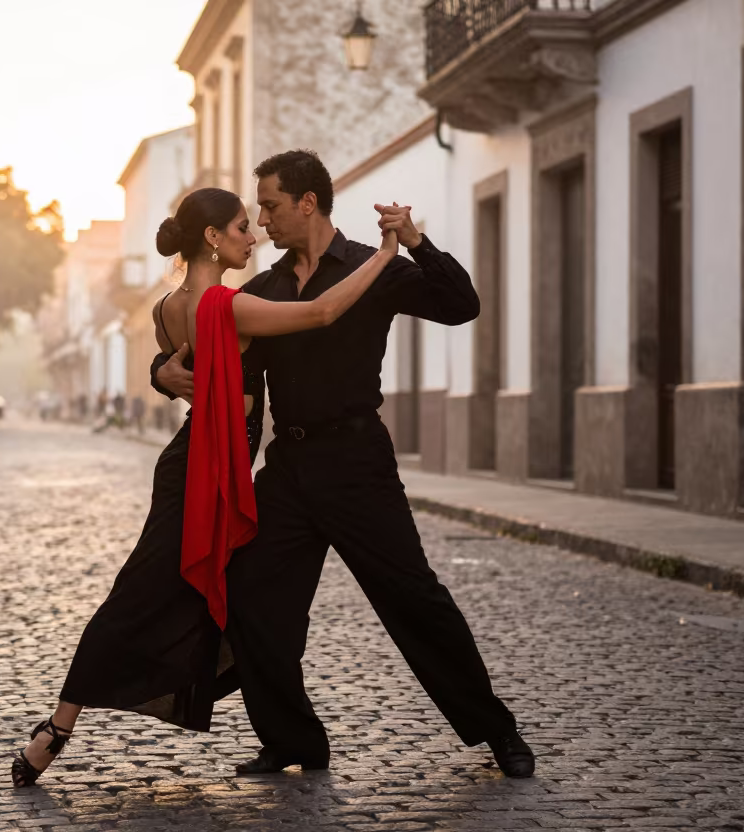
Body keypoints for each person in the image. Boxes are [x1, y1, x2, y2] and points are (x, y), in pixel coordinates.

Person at [152, 150, 533, 778]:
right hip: (291, 466)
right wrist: (161, 375)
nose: (264, 221)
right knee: (251, 597)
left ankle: (498, 731)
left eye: (271, 206)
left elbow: (460, 303)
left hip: (358, 462)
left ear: (307, 202)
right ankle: (293, 740)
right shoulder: (266, 290)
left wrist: (416, 241)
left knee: (416, 600)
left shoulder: (369, 267)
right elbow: (213, 365)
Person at [11, 187, 401, 787]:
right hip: (205, 469)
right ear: (213, 239)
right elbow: (322, 312)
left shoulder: (166, 306)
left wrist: (161, 376)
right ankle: (57, 729)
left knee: (233, 592)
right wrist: (383, 255)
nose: (255, 235)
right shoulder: (225, 305)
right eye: (244, 227)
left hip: (198, 461)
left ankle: (286, 730)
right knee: (139, 593)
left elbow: (178, 370)